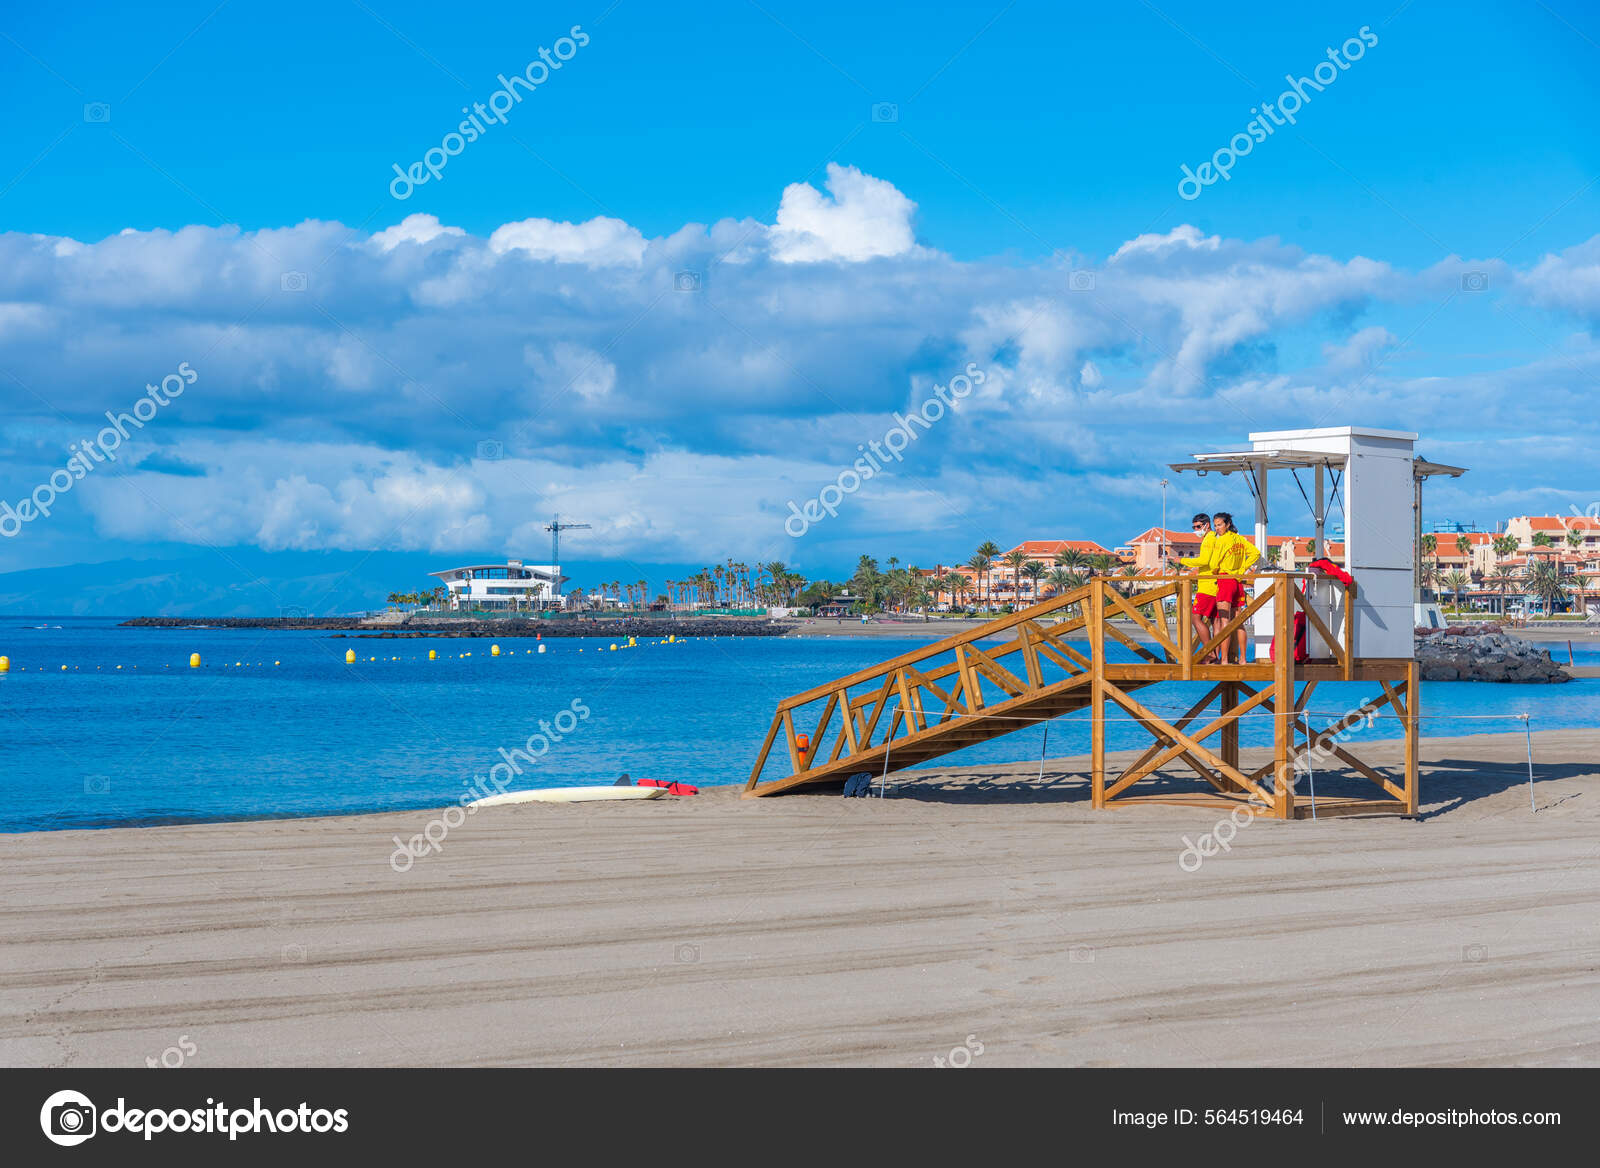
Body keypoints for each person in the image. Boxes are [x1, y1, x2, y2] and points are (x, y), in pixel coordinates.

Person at [1211, 511, 1261, 664]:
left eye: (1219, 525)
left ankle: (1224, 659)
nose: (1217, 528)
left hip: (1225, 579)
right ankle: (1243, 659)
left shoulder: (1221, 540)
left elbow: (1213, 564)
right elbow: (1255, 553)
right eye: (1215, 525)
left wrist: (1215, 571)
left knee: (1224, 621)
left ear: (1227, 525)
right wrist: (1242, 568)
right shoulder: (1239, 539)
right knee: (1239, 622)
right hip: (1237, 582)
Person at [1171, 513, 1221, 663]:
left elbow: (1203, 560)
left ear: (1207, 525)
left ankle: (1210, 653)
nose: (1196, 530)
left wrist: (1182, 560)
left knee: (1196, 618)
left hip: (1207, 586)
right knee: (1216, 621)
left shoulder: (1208, 539)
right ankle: (1216, 656)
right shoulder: (1216, 538)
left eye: (1198, 527)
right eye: (1194, 527)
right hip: (1216, 584)